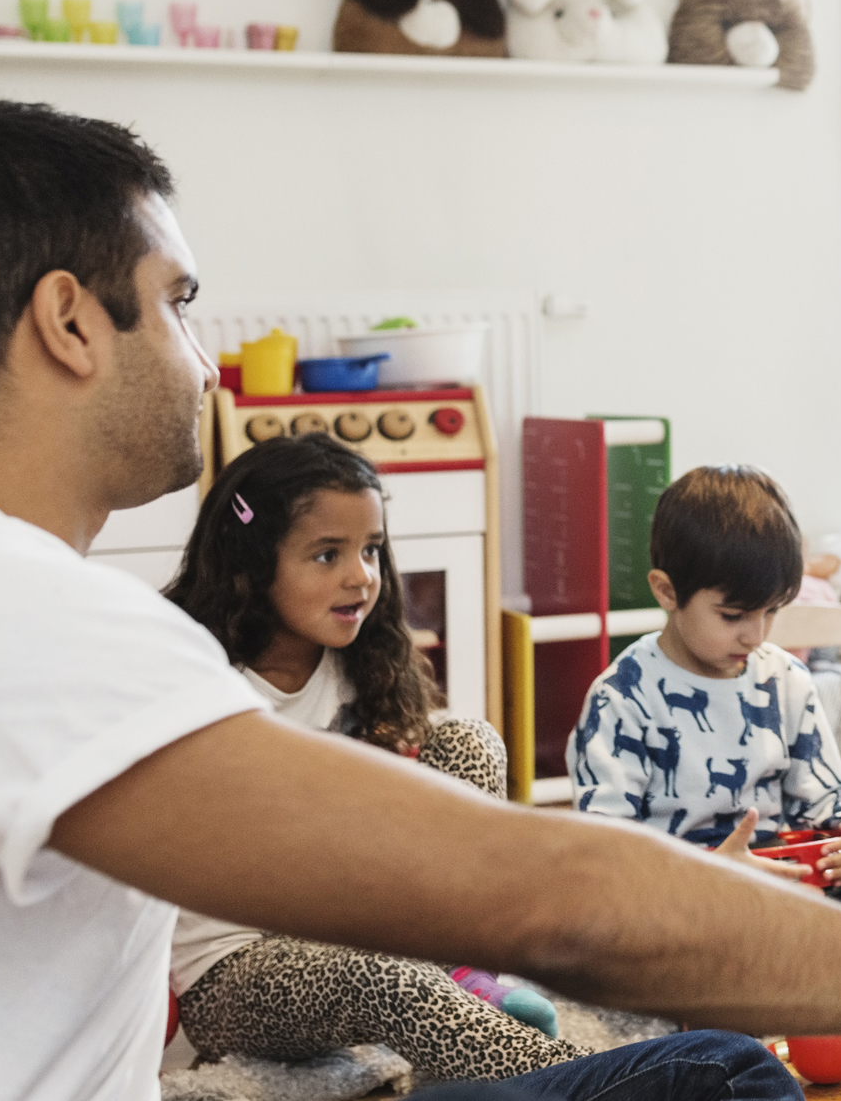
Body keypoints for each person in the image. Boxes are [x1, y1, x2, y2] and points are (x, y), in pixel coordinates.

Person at [0, 97, 841, 1101]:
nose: (201, 355)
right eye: (179, 301)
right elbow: (563, 898)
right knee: (722, 1079)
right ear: (71, 321)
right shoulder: (4, 612)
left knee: (707, 1067)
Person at [164, 432, 606, 1078]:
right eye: (326, 555)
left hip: (351, 919)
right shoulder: (205, 686)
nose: (361, 576)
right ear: (251, 568)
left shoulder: (353, 663)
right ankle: (589, 1082)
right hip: (237, 969)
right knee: (386, 978)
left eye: (371, 549)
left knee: (466, 741)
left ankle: (459, 974)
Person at [567, 465, 841, 920]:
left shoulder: (786, 679)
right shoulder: (620, 699)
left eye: (770, 612)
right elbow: (602, 855)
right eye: (733, 616)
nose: (755, 636)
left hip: (783, 885)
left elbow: (827, 800)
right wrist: (711, 878)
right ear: (667, 591)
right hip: (680, 900)